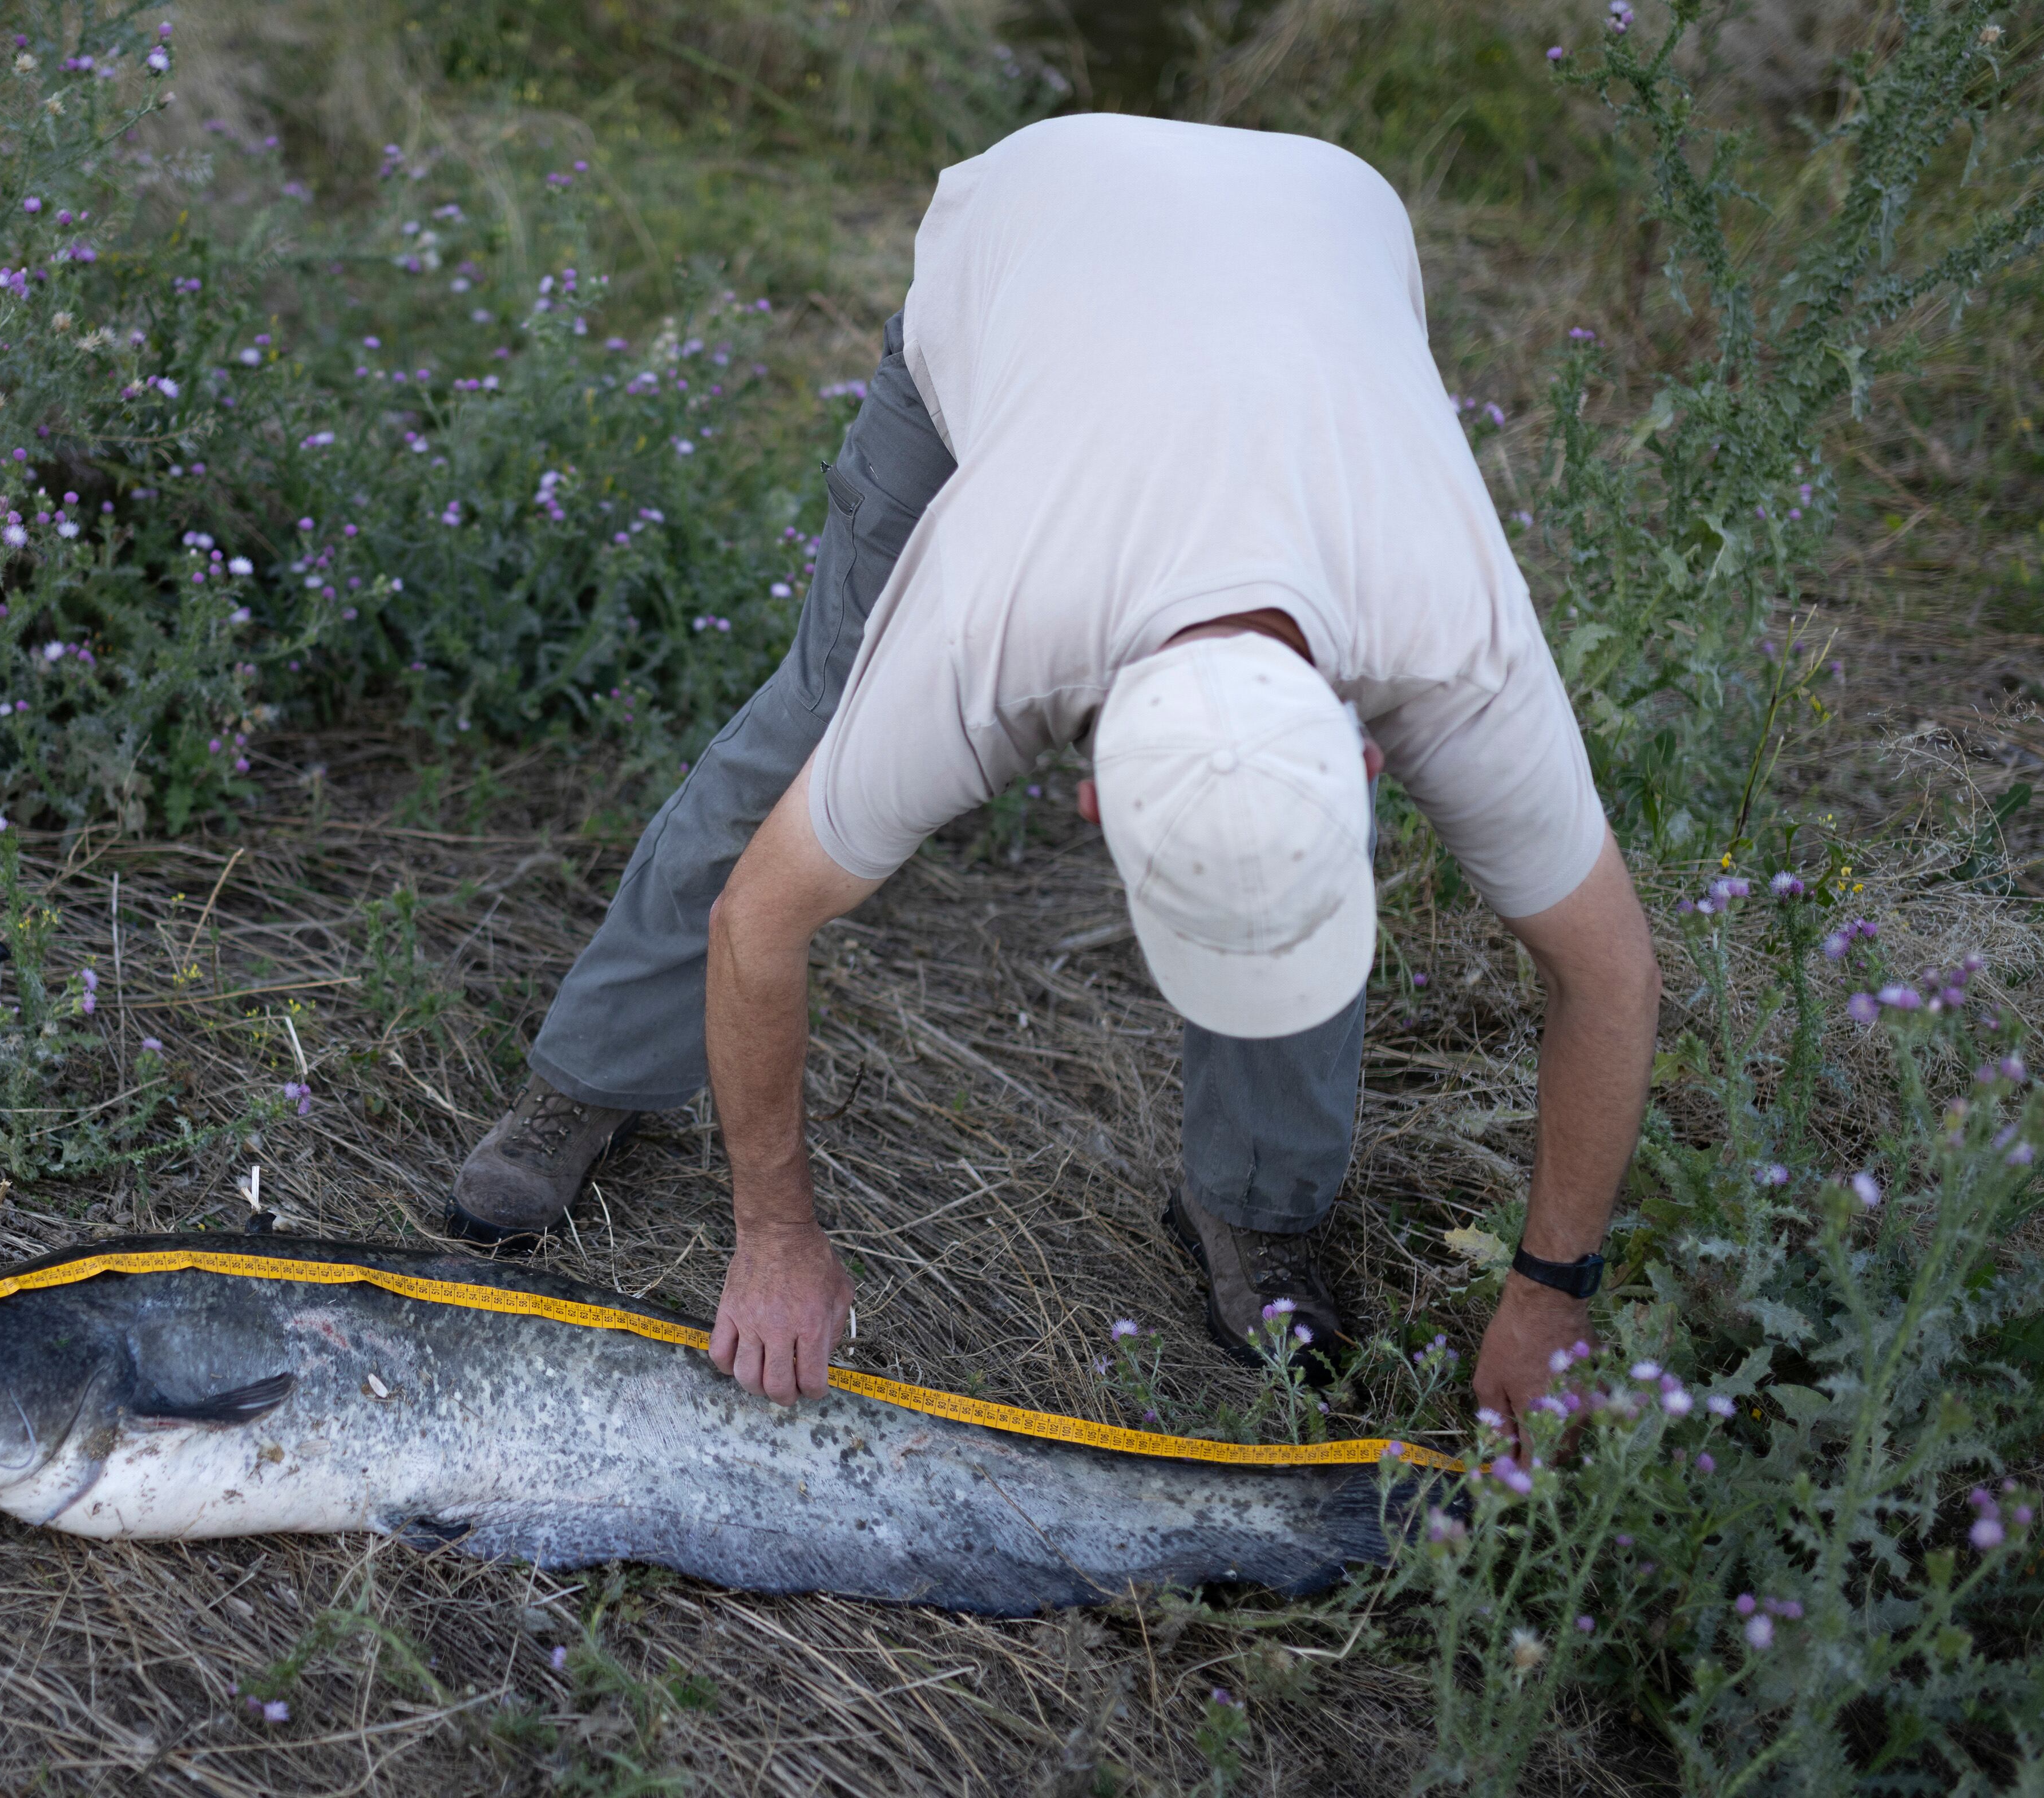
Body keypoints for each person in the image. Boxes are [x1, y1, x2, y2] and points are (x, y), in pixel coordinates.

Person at [449, 114, 1662, 1426]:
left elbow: (1611, 975)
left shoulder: (1455, 640)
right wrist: (777, 1236)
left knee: (1277, 854)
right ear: (1085, 795)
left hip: (1321, 229)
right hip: (1033, 232)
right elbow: (762, 916)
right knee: (812, 722)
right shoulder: (983, 632)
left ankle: (1252, 1207)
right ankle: (589, 1078)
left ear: (1366, 751)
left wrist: (1551, 1292)